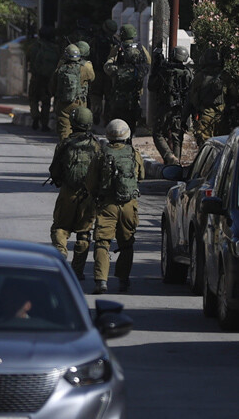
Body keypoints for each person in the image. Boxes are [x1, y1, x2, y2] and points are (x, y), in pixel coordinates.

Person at [85, 119, 145, 294]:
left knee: (102, 242)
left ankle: (101, 281)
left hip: (107, 205)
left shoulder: (101, 154)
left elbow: (90, 182)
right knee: (126, 243)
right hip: (129, 205)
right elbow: (140, 177)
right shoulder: (134, 153)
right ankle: (123, 280)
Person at [48, 106, 100, 280]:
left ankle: (61, 254)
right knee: (84, 233)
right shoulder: (96, 146)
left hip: (67, 193)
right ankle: (77, 271)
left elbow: (54, 170)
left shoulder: (65, 144)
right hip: (88, 197)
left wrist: (60, 181)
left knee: (60, 227)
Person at [148, 46, 193, 165]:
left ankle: (169, 156)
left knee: (157, 133)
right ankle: (176, 162)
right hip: (180, 109)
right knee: (177, 136)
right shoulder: (188, 73)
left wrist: (155, 69)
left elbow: (151, 86)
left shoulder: (164, 71)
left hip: (164, 107)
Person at [104, 25, 150, 135]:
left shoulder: (118, 48)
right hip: (136, 90)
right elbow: (148, 61)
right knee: (132, 113)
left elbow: (107, 66)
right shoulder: (140, 47)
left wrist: (116, 72)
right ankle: (130, 134)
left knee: (118, 114)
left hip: (119, 91)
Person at [50, 43, 95, 140]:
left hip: (64, 104)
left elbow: (53, 86)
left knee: (64, 129)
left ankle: (65, 148)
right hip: (80, 103)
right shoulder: (85, 67)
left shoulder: (61, 69)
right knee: (80, 128)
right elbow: (92, 78)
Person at [189, 48, 228, 145]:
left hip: (205, 116)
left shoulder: (200, 77)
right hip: (222, 117)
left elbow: (192, 97)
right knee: (221, 147)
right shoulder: (225, 76)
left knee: (205, 147)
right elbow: (235, 93)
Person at [26, 29, 60, 130]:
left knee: (33, 98)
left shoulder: (33, 47)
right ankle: (44, 123)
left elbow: (27, 59)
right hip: (49, 78)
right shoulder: (55, 48)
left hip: (36, 76)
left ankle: (35, 116)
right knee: (46, 101)